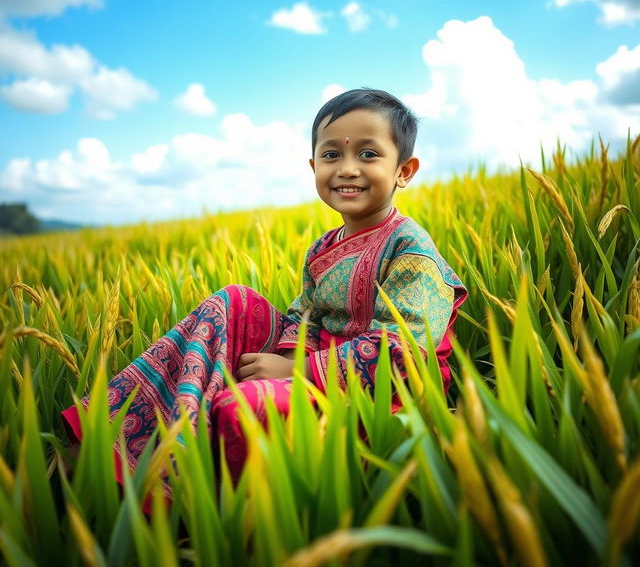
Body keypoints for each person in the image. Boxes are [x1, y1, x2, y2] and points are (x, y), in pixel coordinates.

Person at [61, 88, 468, 484]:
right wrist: (280, 357)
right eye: (331, 154)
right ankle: (107, 440)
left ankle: (196, 499)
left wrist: (299, 370)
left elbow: (406, 351)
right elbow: (301, 317)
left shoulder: (411, 249)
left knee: (244, 407)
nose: (346, 168)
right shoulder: (324, 247)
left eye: (367, 154)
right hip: (322, 360)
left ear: (404, 171)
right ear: (314, 169)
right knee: (233, 301)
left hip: (384, 395)